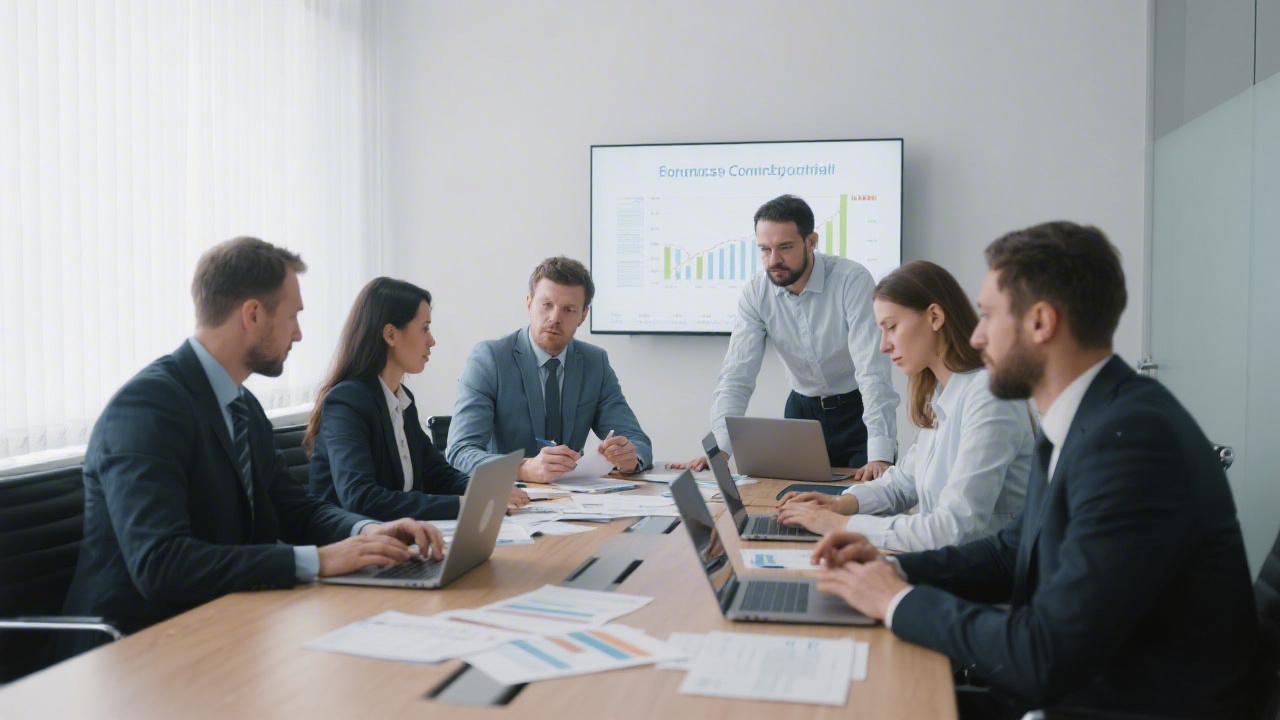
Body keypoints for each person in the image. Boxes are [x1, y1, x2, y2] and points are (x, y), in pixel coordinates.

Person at [811, 223, 1258, 719]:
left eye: (988, 315)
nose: (976, 336)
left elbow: (1046, 655)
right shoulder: (1086, 417)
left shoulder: (1133, 441)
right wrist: (893, 569)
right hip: (1071, 690)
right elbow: (1013, 553)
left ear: (1041, 322)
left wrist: (897, 602)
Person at [60, 238, 445, 656]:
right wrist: (318, 560)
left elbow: (294, 507)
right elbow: (162, 564)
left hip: (227, 627)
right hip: (132, 649)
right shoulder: (146, 408)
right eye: (293, 316)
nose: (298, 333)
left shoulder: (241, 406)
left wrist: (366, 531)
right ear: (253, 314)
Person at [776, 261, 1032, 550]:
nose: (883, 345)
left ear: (934, 317)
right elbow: (902, 484)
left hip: (983, 572)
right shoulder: (942, 395)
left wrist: (839, 525)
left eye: (892, 327)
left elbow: (953, 528)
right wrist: (840, 504)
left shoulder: (990, 397)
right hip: (949, 563)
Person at [674, 194, 899, 480]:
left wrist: (880, 454)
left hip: (858, 412)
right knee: (793, 500)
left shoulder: (851, 280)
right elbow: (736, 375)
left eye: (785, 247)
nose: (774, 260)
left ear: (811, 241)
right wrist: (720, 449)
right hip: (802, 413)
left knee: (863, 499)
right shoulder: (756, 292)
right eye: (765, 249)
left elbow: (872, 371)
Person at [305, 278, 528, 520]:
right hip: (354, 538)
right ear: (391, 335)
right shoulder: (346, 403)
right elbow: (361, 498)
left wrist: (488, 491)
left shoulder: (401, 399)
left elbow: (437, 473)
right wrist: (465, 504)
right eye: (424, 328)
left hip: (398, 533)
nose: (432, 341)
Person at [447, 256, 652, 483]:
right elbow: (460, 450)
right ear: (529, 304)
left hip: (577, 497)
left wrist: (630, 458)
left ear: (583, 316)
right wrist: (523, 469)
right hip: (510, 494)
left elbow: (636, 440)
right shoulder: (489, 359)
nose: (555, 318)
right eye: (546, 305)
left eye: (568, 310)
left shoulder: (595, 362)